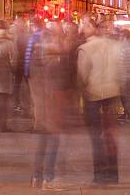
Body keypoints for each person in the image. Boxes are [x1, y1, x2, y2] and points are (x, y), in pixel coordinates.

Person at [77, 16, 122, 186]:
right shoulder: (114, 46)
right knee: (110, 135)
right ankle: (113, 173)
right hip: (112, 94)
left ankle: (100, 174)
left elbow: (82, 76)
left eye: (83, 25)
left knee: (96, 137)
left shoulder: (85, 49)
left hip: (93, 95)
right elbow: (121, 68)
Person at [28, 20, 69, 190]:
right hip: (50, 105)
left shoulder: (37, 56)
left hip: (41, 106)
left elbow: (32, 79)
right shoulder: (52, 57)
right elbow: (55, 84)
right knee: (53, 140)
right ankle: (48, 179)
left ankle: (37, 177)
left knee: (43, 141)